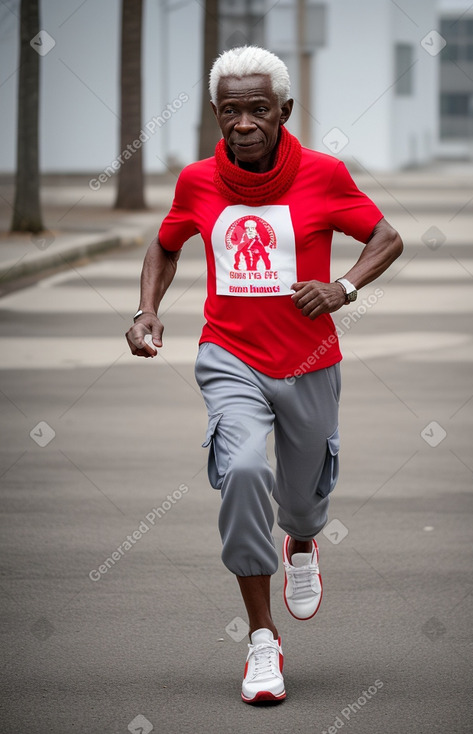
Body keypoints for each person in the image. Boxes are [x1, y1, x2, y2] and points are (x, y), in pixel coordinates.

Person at [126, 46, 403, 704]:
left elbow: (386, 237)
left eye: (257, 110)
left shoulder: (324, 175)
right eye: (229, 111)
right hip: (229, 357)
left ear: (283, 112)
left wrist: (342, 287)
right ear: (215, 115)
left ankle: (301, 541)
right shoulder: (196, 182)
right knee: (244, 469)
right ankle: (260, 639)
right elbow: (165, 246)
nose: (243, 123)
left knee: (301, 502)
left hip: (308, 363)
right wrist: (146, 311)